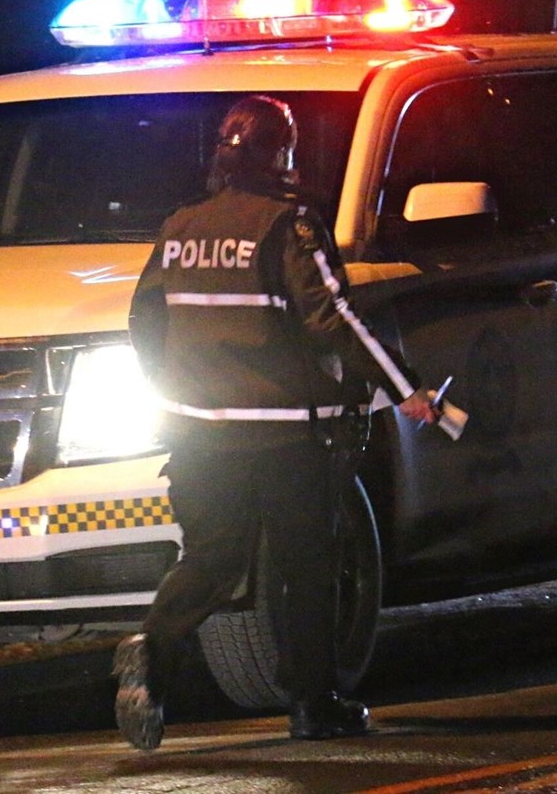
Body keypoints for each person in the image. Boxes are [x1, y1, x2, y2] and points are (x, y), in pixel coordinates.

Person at [115, 94, 439, 750]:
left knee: (211, 556)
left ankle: (152, 647)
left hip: (199, 432)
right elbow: (333, 316)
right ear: (281, 153)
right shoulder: (286, 225)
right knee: (305, 565)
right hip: (287, 432)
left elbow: (143, 317)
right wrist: (405, 386)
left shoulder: (179, 225)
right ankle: (314, 706)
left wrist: (171, 390)